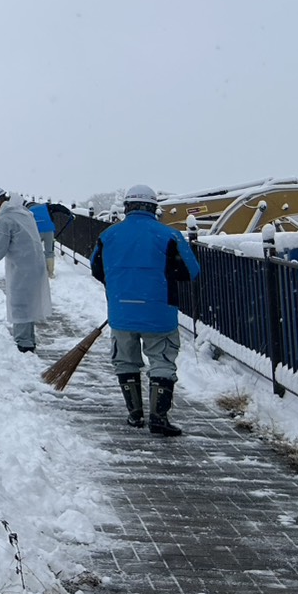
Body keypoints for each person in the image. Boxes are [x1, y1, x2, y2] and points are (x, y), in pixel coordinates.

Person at [91, 183, 200, 436]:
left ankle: (135, 414)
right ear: (154, 208)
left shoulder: (108, 235)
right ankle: (159, 417)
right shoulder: (169, 236)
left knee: (125, 361)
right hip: (158, 312)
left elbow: (97, 268)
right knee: (161, 361)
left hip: (121, 311)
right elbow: (191, 271)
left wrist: (120, 285)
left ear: (127, 207)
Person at [0, 184, 51, 353]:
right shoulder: (21, 212)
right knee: (28, 306)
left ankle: (24, 346)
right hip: (33, 266)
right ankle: (28, 342)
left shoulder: (6, 220)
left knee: (21, 307)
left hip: (22, 269)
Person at [27, 199, 58, 278]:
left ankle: (36, 270)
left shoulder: (27, 211)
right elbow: (58, 207)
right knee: (49, 251)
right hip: (49, 230)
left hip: (37, 231)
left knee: (35, 250)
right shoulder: (45, 207)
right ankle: (50, 272)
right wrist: (69, 213)